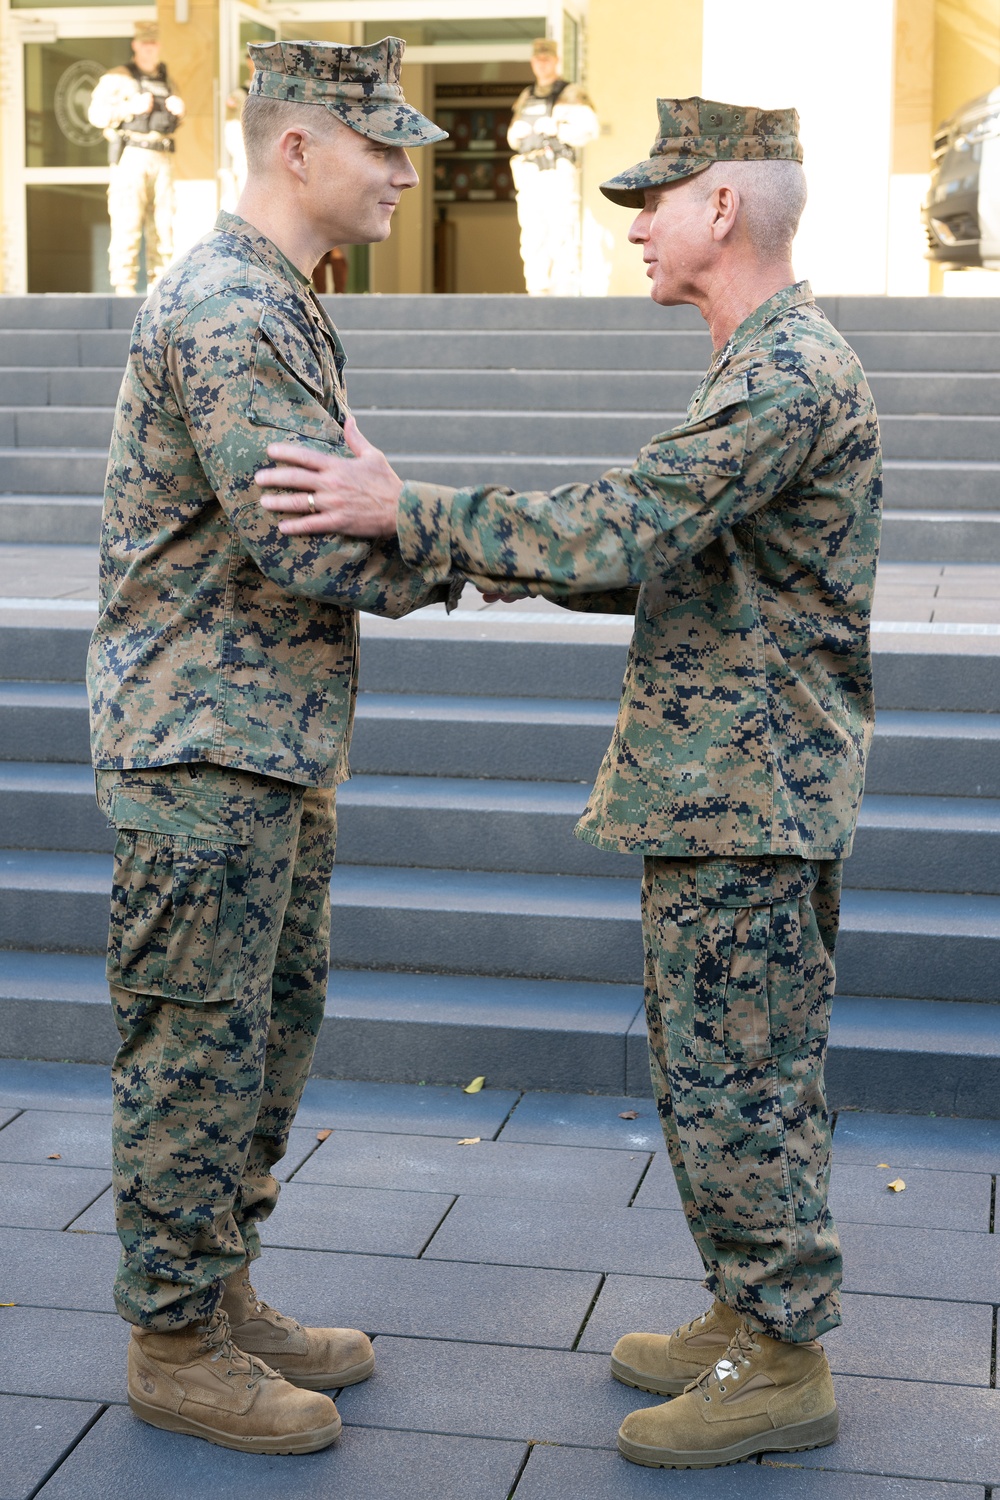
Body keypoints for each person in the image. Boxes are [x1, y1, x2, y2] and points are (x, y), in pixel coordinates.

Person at [254, 95, 883, 1470]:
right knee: (709, 1073)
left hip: (751, 796)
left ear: (724, 207)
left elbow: (630, 522)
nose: (639, 225)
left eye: (655, 200)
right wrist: (448, 541)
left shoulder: (789, 375)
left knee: (745, 1081)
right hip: (722, 786)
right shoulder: (757, 365)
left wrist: (409, 514)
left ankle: (782, 1357)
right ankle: (745, 1311)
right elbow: (664, 560)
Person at [86, 36, 450, 1456]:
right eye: (383, 148)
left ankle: (220, 1286)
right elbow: (309, 540)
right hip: (205, 747)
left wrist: (395, 505)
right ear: (297, 149)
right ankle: (173, 1339)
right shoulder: (233, 305)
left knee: (263, 1032)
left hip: (264, 743)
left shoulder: (280, 297)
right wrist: (458, 534)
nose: (407, 176)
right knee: (196, 1044)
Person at [87, 22, 185, 295]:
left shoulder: (165, 77)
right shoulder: (118, 78)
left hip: (162, 157)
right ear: (135, 45)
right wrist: (130, 107)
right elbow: (95, 115)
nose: (149, 48)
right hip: (132, 158)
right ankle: (124, 290)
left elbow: (171, 119)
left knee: (164, 229)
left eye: (153, 43)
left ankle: (160, 291)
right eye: (144, 43)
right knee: (127, 226)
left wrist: (180, 111)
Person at [507, 37, 599, 295]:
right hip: (530, 174)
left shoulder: (571, 94)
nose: (542, 64)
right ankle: (537, 295)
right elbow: (512, 137)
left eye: (547, 59)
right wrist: (519, 131)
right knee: (532, 239)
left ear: (557, 61)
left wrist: (557, 128)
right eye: (538, 59)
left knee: (562, 237)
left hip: (556, 175)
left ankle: (564, 298)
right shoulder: (527, 95)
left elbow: (590, 129)